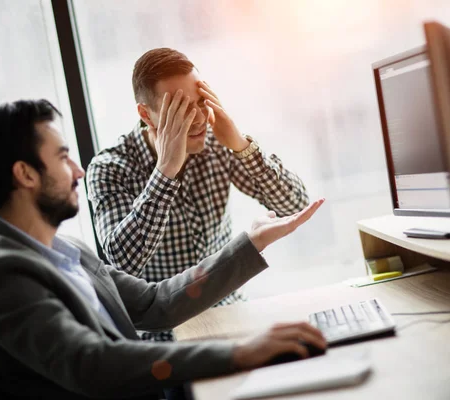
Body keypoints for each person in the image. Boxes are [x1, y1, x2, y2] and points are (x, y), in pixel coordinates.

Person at [0, 99, 325, 400]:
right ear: (25, 174)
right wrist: (239, 353)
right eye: (62, 158)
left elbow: (155, 304)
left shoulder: (65, 250)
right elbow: (94, 365)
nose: (78, 171)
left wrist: (252, 243)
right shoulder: (1, 277)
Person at [86, 48, 309, 341]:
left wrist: (241, 146)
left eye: (201, 102)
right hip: (166, 337)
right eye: (180, 109)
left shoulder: (217, 145)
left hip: (230, 317)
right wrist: (165, 170)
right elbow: (122, 262)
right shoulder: (110, 168)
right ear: (146, 114)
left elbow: (295, 205)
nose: (199, 119)